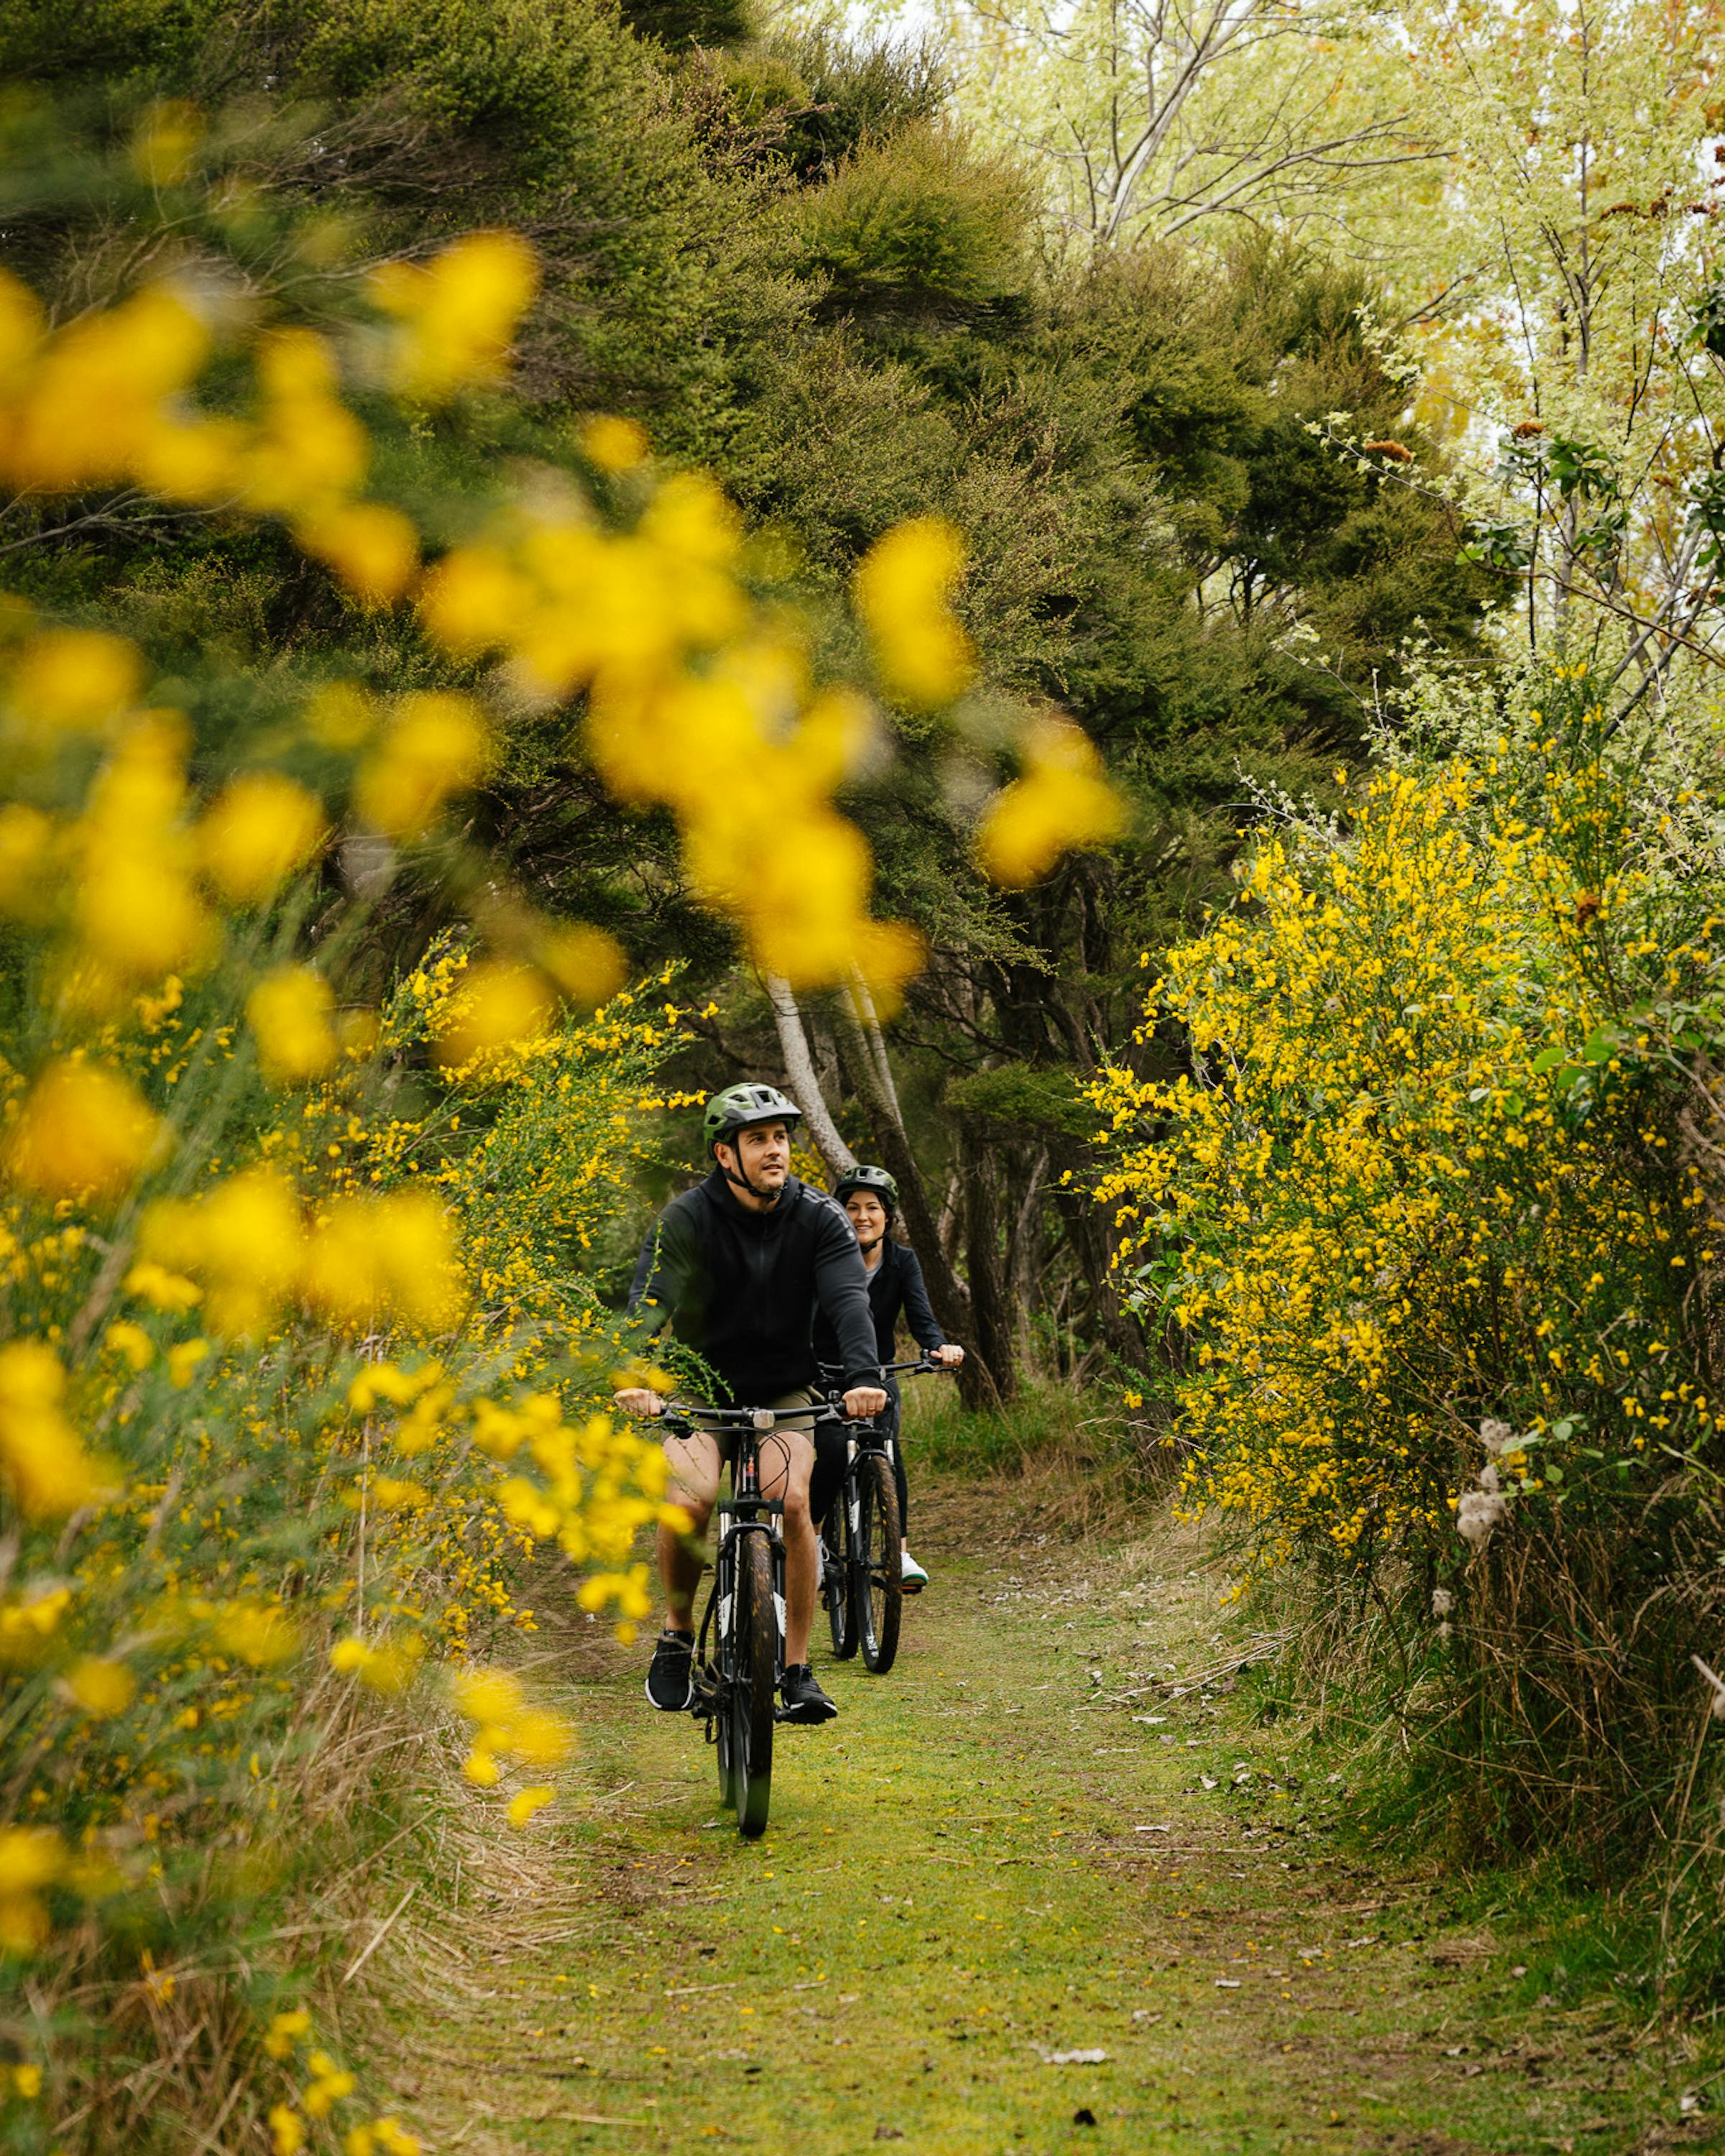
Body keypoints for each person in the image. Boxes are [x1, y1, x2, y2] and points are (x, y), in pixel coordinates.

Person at [615, 1083, 886, 1726]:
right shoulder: (686, 1219)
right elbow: (648, 1305)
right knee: (690, 1499)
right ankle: (678, 1634)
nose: (775, 1151)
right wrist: (634, 1380)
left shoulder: (820, 1218)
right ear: (724, 1153)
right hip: (699, 1389)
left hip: (784, 1390)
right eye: (759, 1139)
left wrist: (862, 1378)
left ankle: (796, 1670)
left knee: (792, 1502)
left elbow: (850, 1302)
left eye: (782, 1138)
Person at [811, 1165, 963, 1593]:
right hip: (824, 1378)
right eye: (852, 1207)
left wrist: (938, 1348)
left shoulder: (902, 1261)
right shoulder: (819, 1260)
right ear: (839, 1214)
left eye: (872, 1208)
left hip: (878, 1376)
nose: (862, 1216)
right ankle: (817, 1545)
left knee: (888, 1455)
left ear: (887, 1217)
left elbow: (922, 1320)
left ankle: (899, 1550)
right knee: (831, 1451)